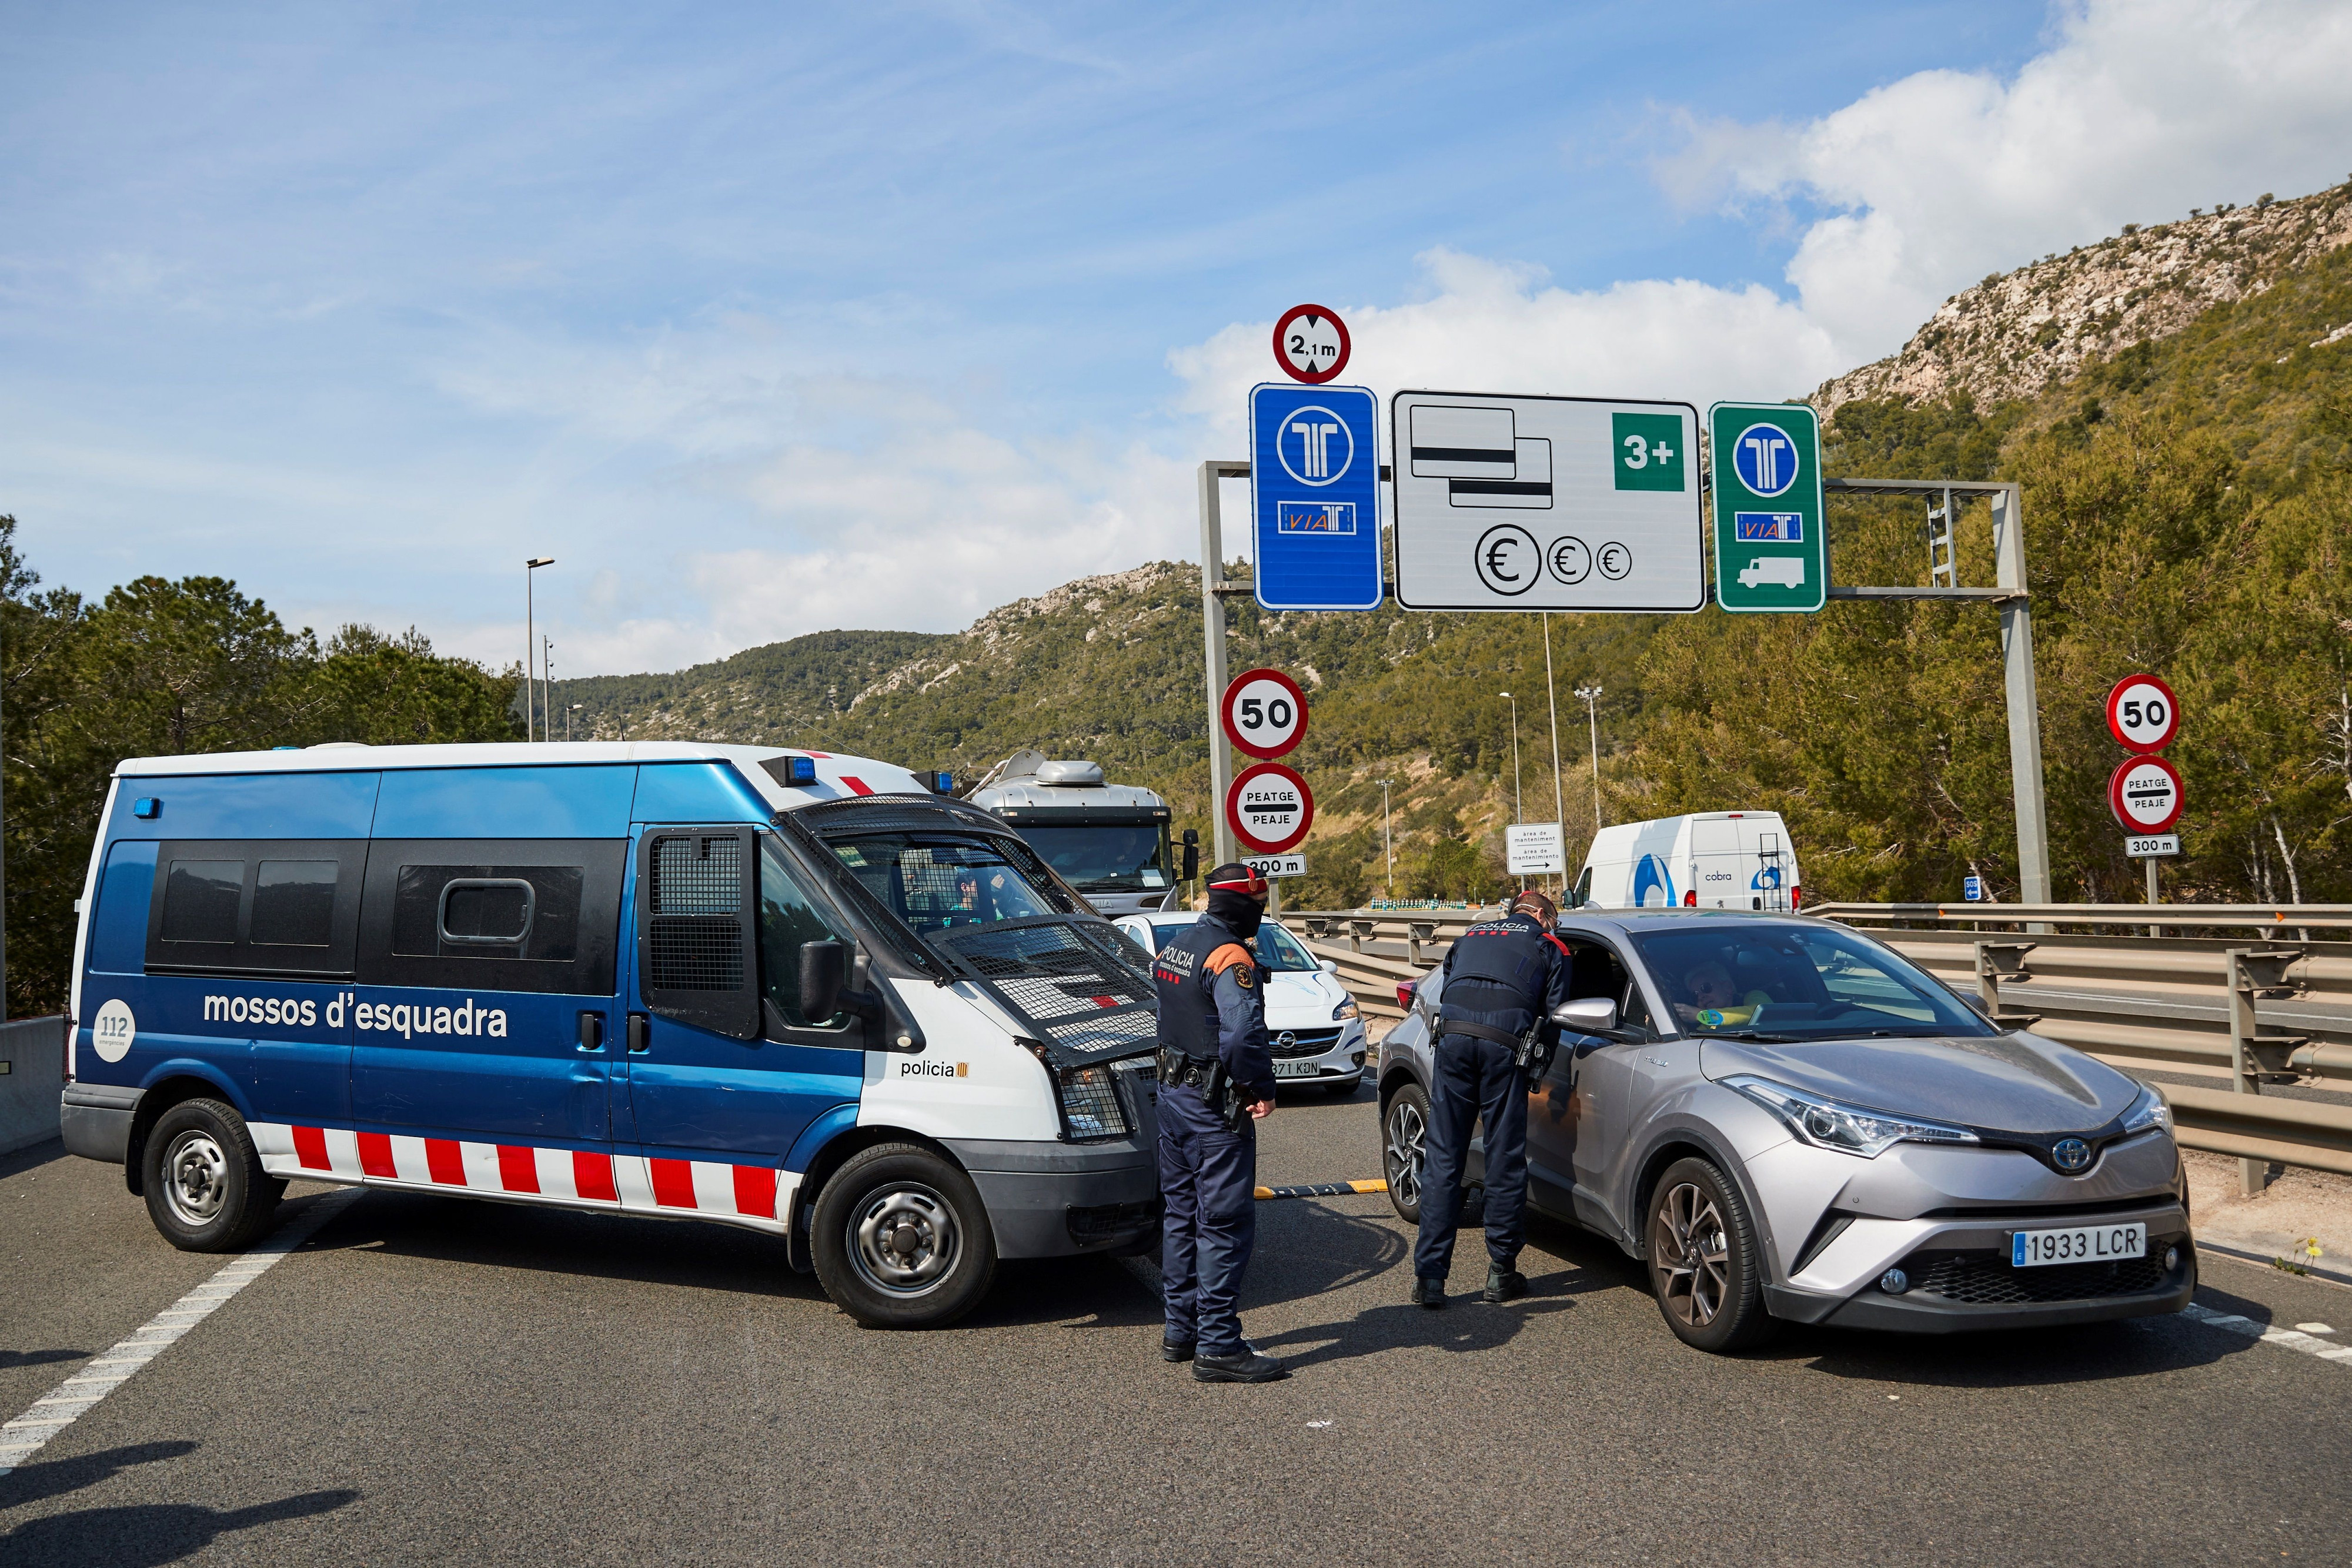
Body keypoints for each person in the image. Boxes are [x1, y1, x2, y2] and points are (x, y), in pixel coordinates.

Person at [1151, 863, 1285, 1383]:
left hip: (1172, 1097)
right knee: (1223, 1223)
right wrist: (1259, 1088)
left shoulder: (1177, 946)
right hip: (1211, 1109)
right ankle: (1220, 1347)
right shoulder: (1231, 957)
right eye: (1257, 904)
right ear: (1244, 906)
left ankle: (1180, 1331)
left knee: (1181, 1215)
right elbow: (1243, 1034)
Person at [1412, 888, 1572, 1309]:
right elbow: (1554, 1017)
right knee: (1504, 1155)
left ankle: (1429, 1278)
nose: (1553, 927)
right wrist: (1539, 1066)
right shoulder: (1549, 945)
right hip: (1504, 1050)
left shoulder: (1471, 936)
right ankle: (1501, 1272)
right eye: (1552, 920)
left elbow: (1452, 989)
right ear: (1540, 914)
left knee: (1445, 1156)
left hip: (1453, 1043)